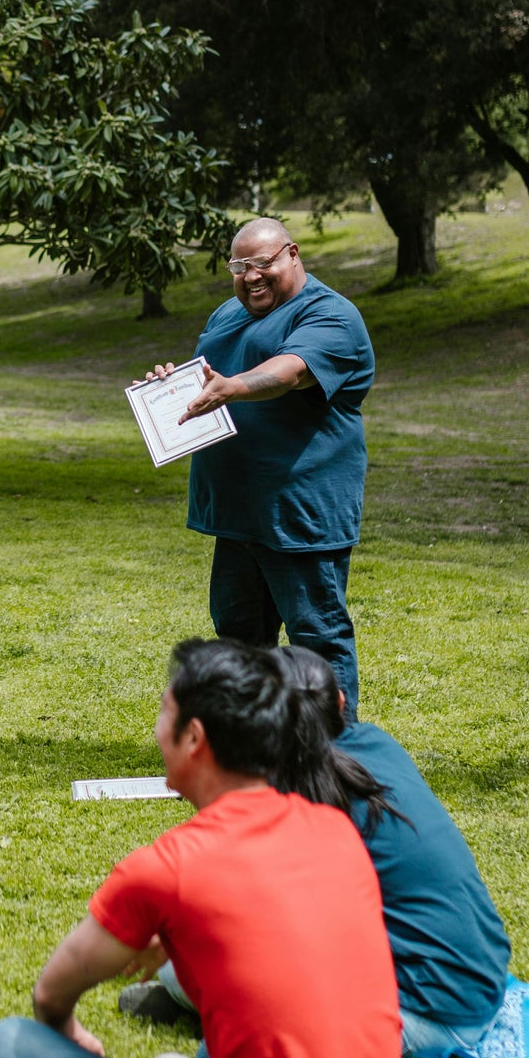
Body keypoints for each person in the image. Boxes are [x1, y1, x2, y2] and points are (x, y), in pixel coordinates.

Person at [0, 638, 406, 1058]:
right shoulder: (333, 831)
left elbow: (51, 993)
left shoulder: (170, 866)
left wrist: (66, 1036)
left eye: (162, 713)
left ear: (195, 739)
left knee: (10, 1049)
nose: (156, 729)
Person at [125, 649, 514, 1058]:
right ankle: (192, 1001)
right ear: (340, 703)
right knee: (196, 964)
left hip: (427, 1009)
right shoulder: (376, 744)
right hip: (478, 977)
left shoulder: (291, 799)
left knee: (224, 972)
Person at [146, 217, 374, 714]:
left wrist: (236, 386)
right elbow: (206, 377)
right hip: (236, 510)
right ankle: (253, 751)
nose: (251, 276)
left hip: (299, 511)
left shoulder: (329, 315)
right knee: (240, 642)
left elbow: (290, 372)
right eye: (239, 266)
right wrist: (172, 383)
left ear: (292, 254)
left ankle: (336, 756)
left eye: (263, 263)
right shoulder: (227, 314)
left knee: (316, 641)